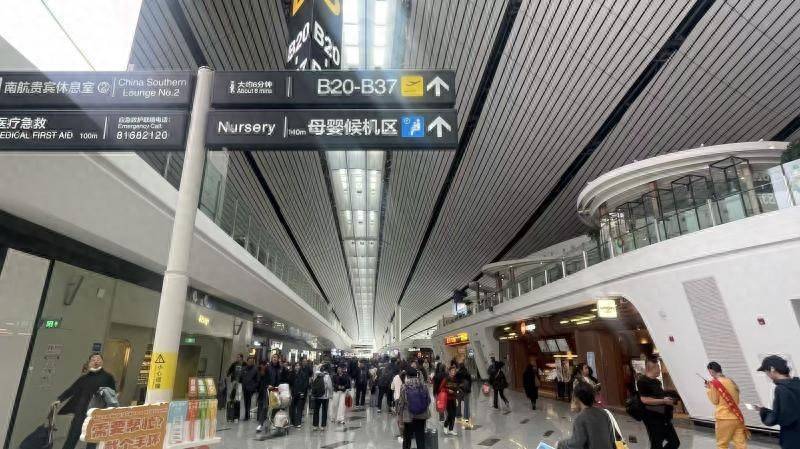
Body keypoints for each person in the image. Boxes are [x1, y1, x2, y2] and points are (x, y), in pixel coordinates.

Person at [54, 353, 116, 449]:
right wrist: (60, 399)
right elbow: (72, 389)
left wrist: (109, 409)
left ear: (102, 362)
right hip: (81, 411)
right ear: (89, 362)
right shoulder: (84, 377)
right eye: (93, 359)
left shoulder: (108, 377)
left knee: (92, 439)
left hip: (96, 412)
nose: (96, 361)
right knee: (72, 436)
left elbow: (112, 394)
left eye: (98, 359)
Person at [756, 355, 800, 449]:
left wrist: (763, 411)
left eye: (766, 371)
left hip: (792, 437)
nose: (767, 375)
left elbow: (780, 417)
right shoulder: (797, 384)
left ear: (772, 369)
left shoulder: (781, 389)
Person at [637, 356, 680, 449]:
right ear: (653, 368)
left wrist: (668, 400)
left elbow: (659, 396)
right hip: (653, 419)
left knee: (675, 442)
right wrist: (664, 401)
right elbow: (645, 400)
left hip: (664, 418)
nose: (660, 370)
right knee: (657, 445)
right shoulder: (642, 381)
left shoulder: (657, 382)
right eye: (658, 367)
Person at [557, 382, 615, 449]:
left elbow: (576, 445)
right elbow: (612, 438)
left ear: (577, 399)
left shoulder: (580, 418)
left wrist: (561, 444)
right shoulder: (604, 413)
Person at [705, 361, 748, 449]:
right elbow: (737, 400)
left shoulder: (714, 383)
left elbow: (715, 401)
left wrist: (709, 389)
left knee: (722, 445)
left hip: (723, 418)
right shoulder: (731, 381)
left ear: (711, 371)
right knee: (741, 445)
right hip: (737, 417)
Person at [396, 367, 430, 449]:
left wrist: (400, 416)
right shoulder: (424, 385)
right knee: (420, 438)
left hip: (408, 416)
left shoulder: (404, 386)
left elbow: (401, 403)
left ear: (407, 376)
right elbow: (428, 400)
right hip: (421, 415)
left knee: (407, 438)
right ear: (417, 375)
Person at [257, 354, 283, 432]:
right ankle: (260, 424)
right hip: (268, 389)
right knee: (265, 406)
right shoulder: (268, 368)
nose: (275, 359)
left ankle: (272, 422)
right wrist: (267, 385)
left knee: (275, 406)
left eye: (276, 357)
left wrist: (280, 387)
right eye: (273, 357)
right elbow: (263, 378)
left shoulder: (280, 368)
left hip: (276, 390)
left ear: (278, 359)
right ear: (271, 359)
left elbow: (282, 378)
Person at [311, 365, 333, 431]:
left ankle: (315, 425)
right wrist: (331, 394)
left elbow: (313, 384)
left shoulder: (316, 375)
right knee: (324, 411)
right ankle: (323, 426)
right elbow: (329, 386)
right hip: (325, 396)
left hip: (317, 395)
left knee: (316, 410)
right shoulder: (327, 376)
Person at [442, 365, 461, 436]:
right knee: (450, 414)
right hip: (447, 399)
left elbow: (457, 389)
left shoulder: (455, 379)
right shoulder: (446, 379)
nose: (453, 372)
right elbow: (441, 388)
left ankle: (451, 429)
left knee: (454, 414)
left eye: (454, 371)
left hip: (454, 399)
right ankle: (445, 425)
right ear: (449, 372)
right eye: (452, 371)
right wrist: (448, 390)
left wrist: (457, 397)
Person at [290, 362, 309, 428]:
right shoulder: (292, 374)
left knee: (299, 408)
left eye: (298, 365)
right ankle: (293, 422)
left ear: (300, 367)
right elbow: (290, 382)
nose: (297, 367)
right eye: (296, 365)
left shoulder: (303, 374)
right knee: (292, 407)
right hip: (293, 393)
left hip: (300, 393)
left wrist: (303, 392)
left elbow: (305, 384)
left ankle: (298, 422)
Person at [239, 356, 259, 422]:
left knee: (249, 401)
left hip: (251, 388)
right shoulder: (244, 369)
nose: (250, 362)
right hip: (245, 387)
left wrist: (254, 387)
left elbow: (257, 380)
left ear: (253, 362)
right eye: (249, 361)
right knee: (246, 401)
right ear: (247, 361)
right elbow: (241, 377)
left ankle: (247, 415)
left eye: (251, 361)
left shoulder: (255, 369)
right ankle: (246, 415)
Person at [457, 362, 473, 426]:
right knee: (466, 404)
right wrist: (469, 389)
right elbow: (470, 382)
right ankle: (466, 417)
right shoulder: (467, 373)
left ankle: (458, 414)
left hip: (459, 390)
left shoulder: (458, 373)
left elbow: (456, 382)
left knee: (458, 403)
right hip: (466, 390)